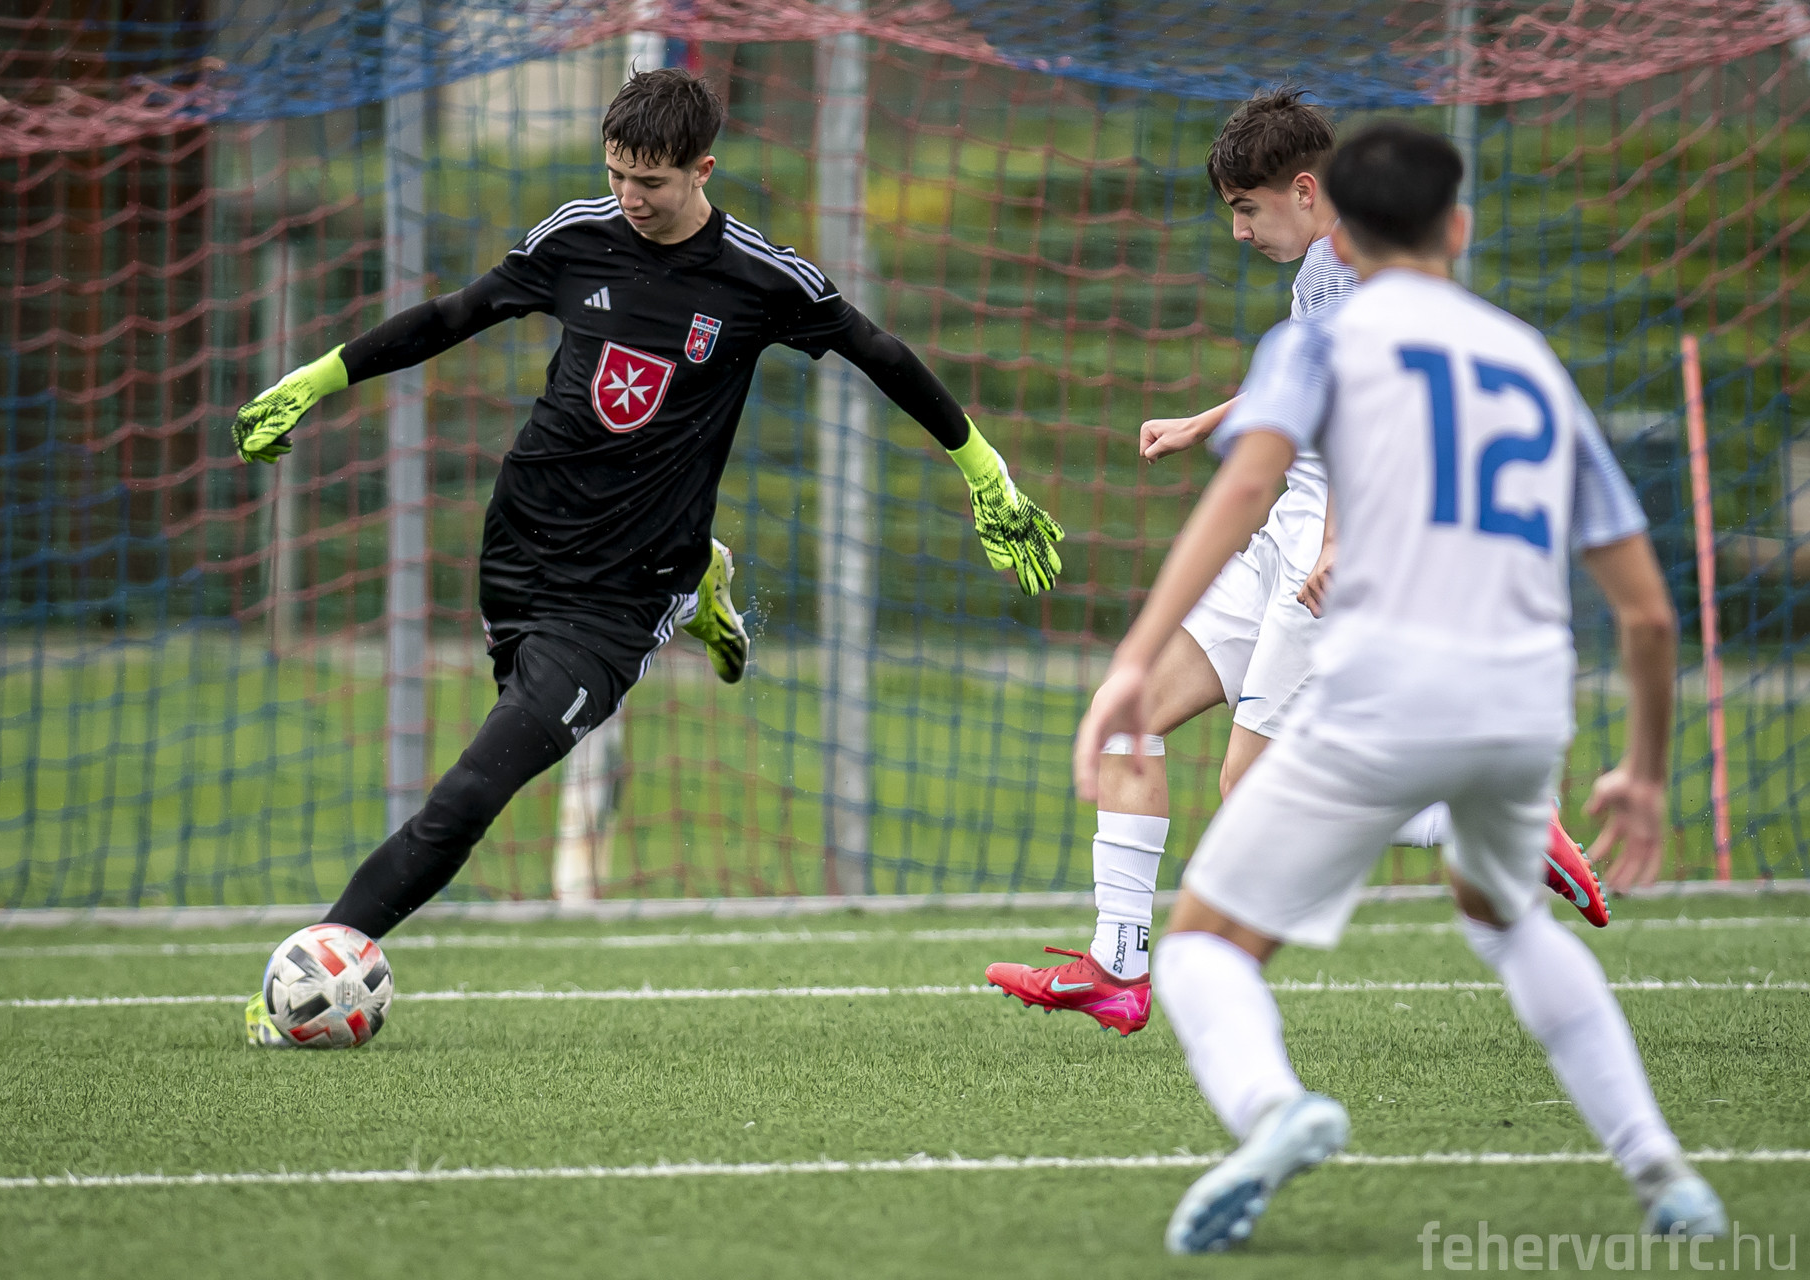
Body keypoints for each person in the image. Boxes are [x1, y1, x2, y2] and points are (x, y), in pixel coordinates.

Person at [233, 69, 1064, 1042]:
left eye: (652, 181)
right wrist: (317, 378)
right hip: (520, 546)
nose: (630, 196)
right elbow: (454, 316)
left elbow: (880, 353)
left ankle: (313, 973)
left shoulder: (760, 277)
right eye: (618, 173)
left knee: (470, 791)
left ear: (702, 169)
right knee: (500, 729)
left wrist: (984, 470)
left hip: (618, 600)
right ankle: (703, 578)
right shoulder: (575, 237)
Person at [1073, 121, 1724, 1253]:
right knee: (1507, 923)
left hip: (1391, 684)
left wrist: (1133, 659)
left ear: (1342, 227)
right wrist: (1649, 772)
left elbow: (1246, 490)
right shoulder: (1529, 359)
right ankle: (1664, 1171)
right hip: (1526, 705)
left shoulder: (1323, 341)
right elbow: (1650, 613)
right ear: (1456, 227)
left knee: (1204, 948)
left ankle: (1276, 1110)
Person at [986, 90, 1606, 1038]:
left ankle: (1489, 823)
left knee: (1254, 789)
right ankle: (1117, 964)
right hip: (1292, 530)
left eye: (1247, 208)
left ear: (1306, 190)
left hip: (1326, 535)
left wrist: (1341, 540)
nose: (1238, 231)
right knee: (1129, 714)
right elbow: (1309, 380)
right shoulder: (1331, 268)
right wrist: (1204, 420)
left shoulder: (1345, 268)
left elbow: (1370, 413)